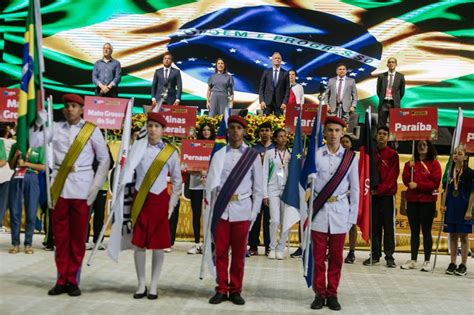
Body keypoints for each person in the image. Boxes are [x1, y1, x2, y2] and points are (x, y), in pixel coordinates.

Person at [30, 94, 110, 296]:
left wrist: (96, 186)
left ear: (82, 109)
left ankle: (73, 280)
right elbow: (33, 141)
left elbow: (104, 160)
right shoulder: (55, 128)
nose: (69, 109)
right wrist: (38, 121)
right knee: (61, 238)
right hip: (59, 188)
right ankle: (61, 279)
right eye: (67, 106)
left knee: (77, 238)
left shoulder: (91, 131)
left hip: (83, 189)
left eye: (74, 106)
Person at [124, 112, 182, 299]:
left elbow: (177, 181)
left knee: (158, 246)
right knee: (138, 245)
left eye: (157, 126)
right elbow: (126, 170)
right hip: (140, 199)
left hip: (159, 201)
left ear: (163, 130)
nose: (152, 130)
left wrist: (171, 206)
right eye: (150, 126)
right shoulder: (137, 148)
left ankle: (154, 285)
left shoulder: (170, 152)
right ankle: (141, 284)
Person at [207, 115, 263, 305]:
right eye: (232, 128)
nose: (235, 131)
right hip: (222, 210)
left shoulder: (252, 156)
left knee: (239, 254)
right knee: (221, 252)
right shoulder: (219, 154)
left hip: (243, 210)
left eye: (239, 128)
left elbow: (258, 189)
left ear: (244, 131)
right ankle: (222, 288)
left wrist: (253, 214)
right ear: (227, 131)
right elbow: (212, 186)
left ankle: (236, 289)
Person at [310, 116, 359, 311]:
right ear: (324, 132)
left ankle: (332, 294)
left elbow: (355, 190)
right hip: (319, 211)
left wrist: (351, 217)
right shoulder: (315, 154)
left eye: (337, 130)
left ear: (342, 133)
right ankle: (319, 293)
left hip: (339, 211)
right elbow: (304, 185)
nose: (333, 134)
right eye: (329, 130)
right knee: (318, 256)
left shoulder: (350, 158)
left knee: (337, 257)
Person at [401, 140, 441, 271]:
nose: (421, 147)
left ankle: (427, 261)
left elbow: (435, 183)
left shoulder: (434, 164)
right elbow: (406, 180)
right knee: (414, 232)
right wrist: (409, 169)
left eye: (424, 145)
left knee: (426, 232)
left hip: (428, 202)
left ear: (429, 147)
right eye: (419, 145)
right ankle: (413, 259)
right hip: (413, 202)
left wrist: (418, 185)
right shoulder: (410, 163)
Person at [363, 126, 400, 267]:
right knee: (374, 226)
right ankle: (375, 254)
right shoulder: (370, 153)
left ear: (388, 137)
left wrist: (379, 190)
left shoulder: (393, 154)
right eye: (380, 133)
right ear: (376, 135)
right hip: (373, 195)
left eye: (385, 134)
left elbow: (392, 177)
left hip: (386, 196)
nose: (382, 136)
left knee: (388, 227)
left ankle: (389, 256)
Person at [7, 144, 46, 254]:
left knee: (31, 212)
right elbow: (10, 165)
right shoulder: (16, 144)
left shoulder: (39, 147)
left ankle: (28, 244)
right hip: (17, 176)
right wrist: (15, 156)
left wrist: (26, 164)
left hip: (32, 177)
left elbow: (43, 166)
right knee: (14, 211)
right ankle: (15, 244)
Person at [442, 145, 473, 276]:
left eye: (459, 153)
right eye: (455, 153)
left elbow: (472, 193)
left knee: (464, 236)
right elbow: (445, 190)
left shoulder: (470, 173)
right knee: (453, 235)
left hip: (463, 207)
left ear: (465, 157)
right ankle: (453, 262)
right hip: (451, 207)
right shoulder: (449, 171)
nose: (456, 156)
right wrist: (442, 205)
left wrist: (469, 210)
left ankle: (463, 264)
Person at [187, 122, 216, 255]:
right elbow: (187, 164)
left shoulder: (216, 147)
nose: (205, 132)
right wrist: (198, 171)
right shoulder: (194, 145)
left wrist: (208, 173)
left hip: (210, 185)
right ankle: (197, 243)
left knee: (210, 214)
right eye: (203, 129)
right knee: (196, 213)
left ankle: (210, 242)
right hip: (195, 184)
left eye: (208, 129)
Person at [263, 128, 291, 260]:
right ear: (275, 138)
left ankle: (281, 248)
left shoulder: (291, 154)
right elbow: (264, 174)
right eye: (280, 136)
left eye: (285, 136)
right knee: (274, 220)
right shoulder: (269, 154)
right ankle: (272, 247)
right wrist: (265, 194)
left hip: (286, 190)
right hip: (272, 189)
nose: (283, 139)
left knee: (286, 221)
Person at [248, 122, 273, 256]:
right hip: (255, 189)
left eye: (267, 130)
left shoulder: (275, 149)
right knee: (255, 218)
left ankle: (269, 246)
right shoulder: (253, 149)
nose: (264, 133)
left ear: (271, 133)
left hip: (270, 190)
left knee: (269, 220)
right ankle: (253, 246)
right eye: (262, 130)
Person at [340, 134, 358, 264]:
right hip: (337, 196)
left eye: (347, 142)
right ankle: (334, 250)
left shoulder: (353, 158)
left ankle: (352, 252)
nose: (345, 144)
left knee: (352, 224)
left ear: (351, 144)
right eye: (343, 142)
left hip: (350, 195)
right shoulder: (335, 156)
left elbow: (356, 178)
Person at [376, 57, 405, 127]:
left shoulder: (400, 76)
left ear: (396, 64)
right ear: (387, 65)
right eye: (389, 62)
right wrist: (382, 98)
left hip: (394, 103)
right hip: (384, 103)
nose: (391, 63)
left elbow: (402, 91)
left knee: (395, 124)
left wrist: (396, 99)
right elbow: (378, 90)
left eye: (393, 62)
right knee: (381, 124)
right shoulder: (381, 76)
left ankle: (392, 138)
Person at [258, 51, 290, 116]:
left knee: (279, 124)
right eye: (275, 58)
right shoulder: (266, 72)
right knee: (265, 123)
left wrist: (284, 102)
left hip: (280, 104)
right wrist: (261, 101)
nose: (277, 60)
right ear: (272, 60)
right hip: (267, 103)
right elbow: (261, 88)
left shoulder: (285, 73)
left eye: (279, 58)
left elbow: (287, 89)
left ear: (281, 60)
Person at [0, 123, 15, 233]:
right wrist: (12, 131)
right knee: (3, 201)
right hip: (6, 174)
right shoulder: (11, 142)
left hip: (5, 174)